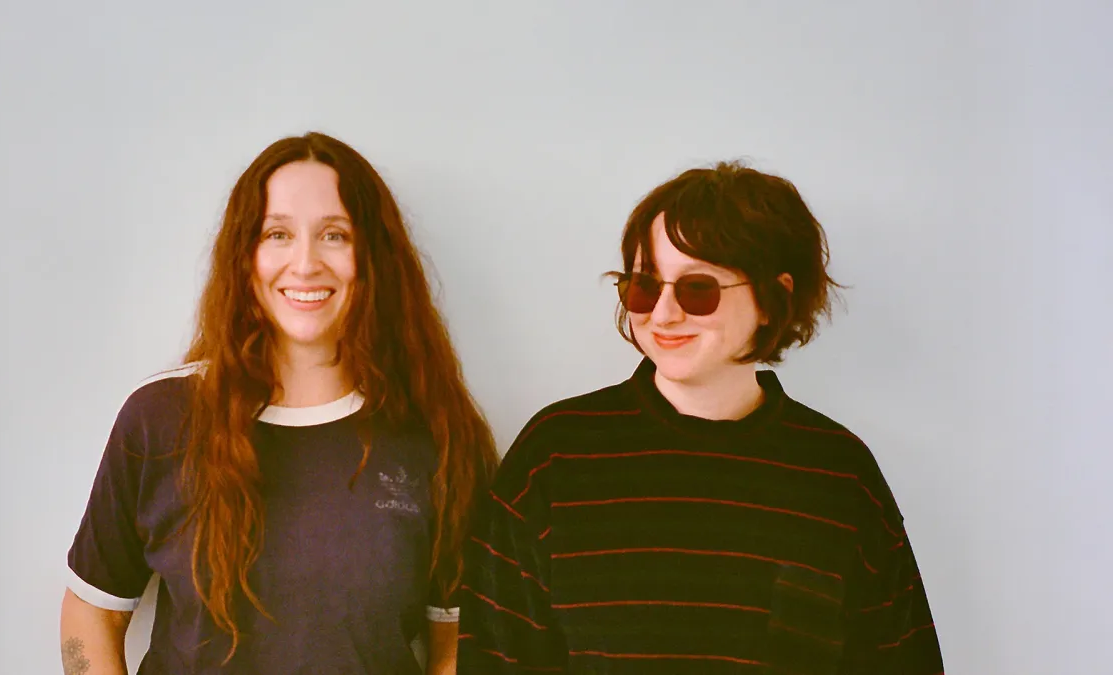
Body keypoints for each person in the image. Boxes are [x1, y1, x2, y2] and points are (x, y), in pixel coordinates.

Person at [457, 162, 945, 674]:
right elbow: (494, 659)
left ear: (773, 299)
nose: (663, 314)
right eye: (644, 286)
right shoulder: (555, 456)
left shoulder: (840, 474)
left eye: (697, 289)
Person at [60, 132, 498, 674]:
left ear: (374, 257)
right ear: (245, 257)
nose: (305, 263)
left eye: (334, 235)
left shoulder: (438, 431)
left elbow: (454, 641)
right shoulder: (160, 419)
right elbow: (92, 611)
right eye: (278, 234)